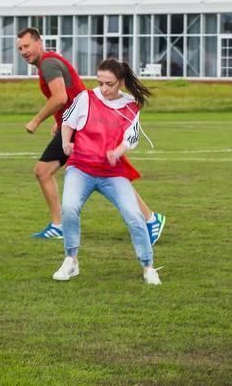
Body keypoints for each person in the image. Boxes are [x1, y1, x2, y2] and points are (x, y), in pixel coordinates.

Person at [15, 27, 164, 242]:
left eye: (27, 46)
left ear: (39, 43)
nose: (23, 51)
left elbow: (59, 97)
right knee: (52, 171)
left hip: (82, 128)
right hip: (80, 126)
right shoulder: (50, 62)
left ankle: (149, 219)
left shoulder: (47, 63)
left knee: (51, 171)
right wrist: (61, 122)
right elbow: (71, 96)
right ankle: (149, 219)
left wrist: (36, 120)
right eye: (20, 48)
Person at [54, 58, 160, 285]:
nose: (103, 88)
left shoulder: (131, 105)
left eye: (109, 84)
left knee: (134, 215)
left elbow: (131, 138)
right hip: (80, 168)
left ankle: (148, 266)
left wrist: (117, 152)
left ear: (120, 82)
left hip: (113, 173)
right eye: (100, 82)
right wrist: (65, 143)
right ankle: (71, 260)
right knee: (69, 207)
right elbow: (67, 122)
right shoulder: (86, 98)